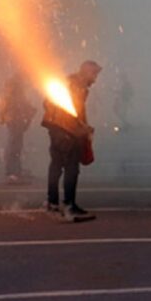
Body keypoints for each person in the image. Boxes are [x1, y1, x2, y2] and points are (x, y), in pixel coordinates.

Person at [43, 60, 102, 221]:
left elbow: (51, 105)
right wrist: (82, 130)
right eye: (94, 74)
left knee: (56, 165)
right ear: (85, 72)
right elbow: (72, 113)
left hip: (56, 128)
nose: (95, 78)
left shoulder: (70, 82)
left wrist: (84, 127)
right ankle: (69, 205)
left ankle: (52, 202)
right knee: (71, 167)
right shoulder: (77, 86)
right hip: (66, 131)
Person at [0, 74, 36, 182]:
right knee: (14, 148)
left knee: (15, 147)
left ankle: (15, 171)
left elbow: (2, 116)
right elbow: (28, 109)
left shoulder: (12, 96)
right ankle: (12, 172)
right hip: (16, 123)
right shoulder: (14, 96)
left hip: (15, 123)